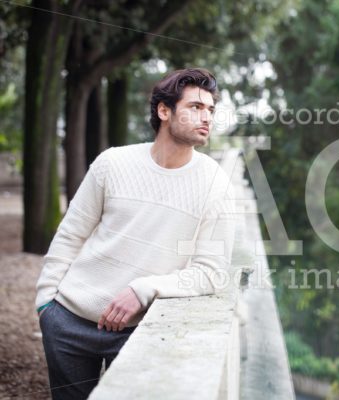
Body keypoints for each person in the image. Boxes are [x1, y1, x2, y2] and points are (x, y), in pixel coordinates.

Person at [34, 68, 236, 400]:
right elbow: (70, 234)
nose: (207, 117)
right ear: (164, 111)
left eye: (211, 110)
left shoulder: (216, 184)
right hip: (67, 320)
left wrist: (145, 288)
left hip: (139, 334)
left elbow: (212, 273)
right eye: (196, 107)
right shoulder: (112, 163)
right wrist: (46, 305)